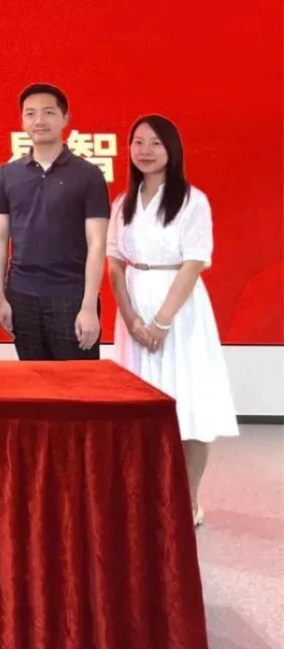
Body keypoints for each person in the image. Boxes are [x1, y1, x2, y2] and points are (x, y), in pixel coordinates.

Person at [107, 114, 239, 527]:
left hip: (179, 312)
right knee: (139, 407)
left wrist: (161, 322)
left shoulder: (192, 200)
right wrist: (131, 318)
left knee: (190, 404)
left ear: (172, 150)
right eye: (138, 142)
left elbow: (194, 262)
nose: (145, 151)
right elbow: (114, 263)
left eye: (155, 143)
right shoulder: (122, 203)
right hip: (134, 309)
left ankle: (189, 498)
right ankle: (143, 495)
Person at [0, 83, 110, 360]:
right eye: (30, 114)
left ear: (65, 118)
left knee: (78, 381)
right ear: (22, 121)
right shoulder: (7, 174)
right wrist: (0, 298)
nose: (39, 121)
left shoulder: (88, 174)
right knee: (33, 379)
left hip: (71, 296)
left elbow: (97, 244)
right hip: (21, 295)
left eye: (48, 112)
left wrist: (88, 307)